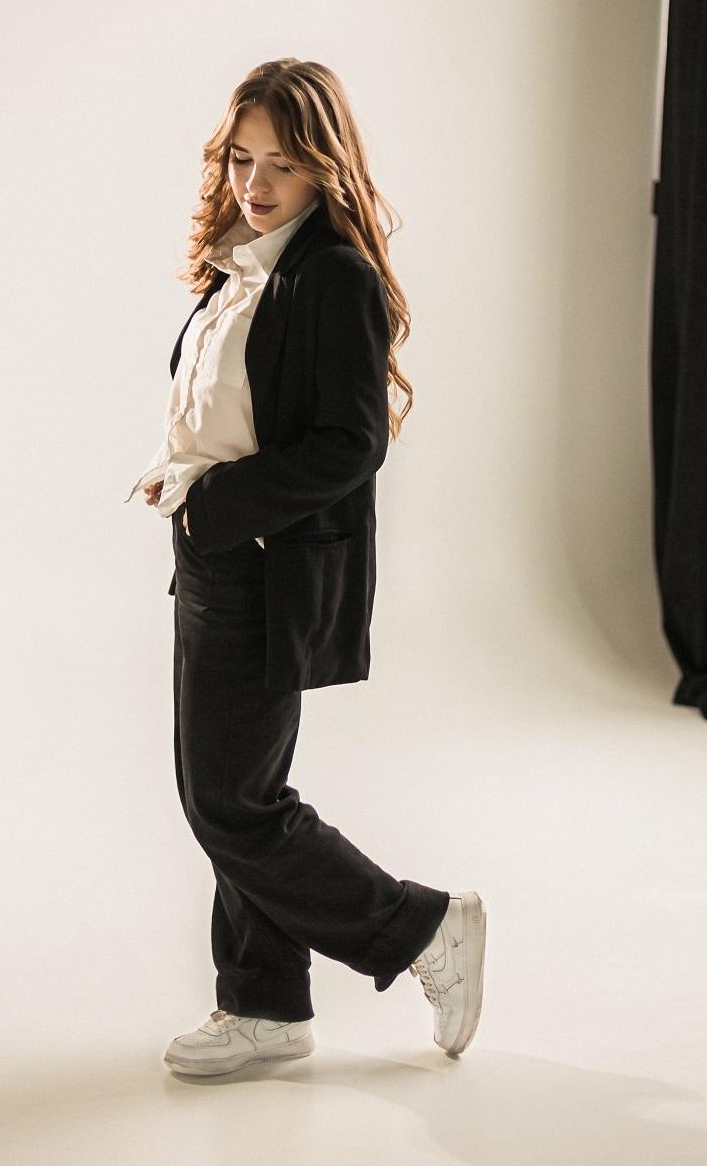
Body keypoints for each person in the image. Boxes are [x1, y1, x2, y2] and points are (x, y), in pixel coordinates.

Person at [126, 59, 486, 1077]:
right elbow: (235, 409)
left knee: (231, 802)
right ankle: (265, 1005)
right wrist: (180, 481)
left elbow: (349, 443)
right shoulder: (240, 262)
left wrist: (217, 507)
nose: (255, 182)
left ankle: (421, 928)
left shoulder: (335, 275)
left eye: (280, 164)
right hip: (212, 551)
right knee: (231, 792)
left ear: (325, 167)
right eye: (241, 159)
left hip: (262, 564)